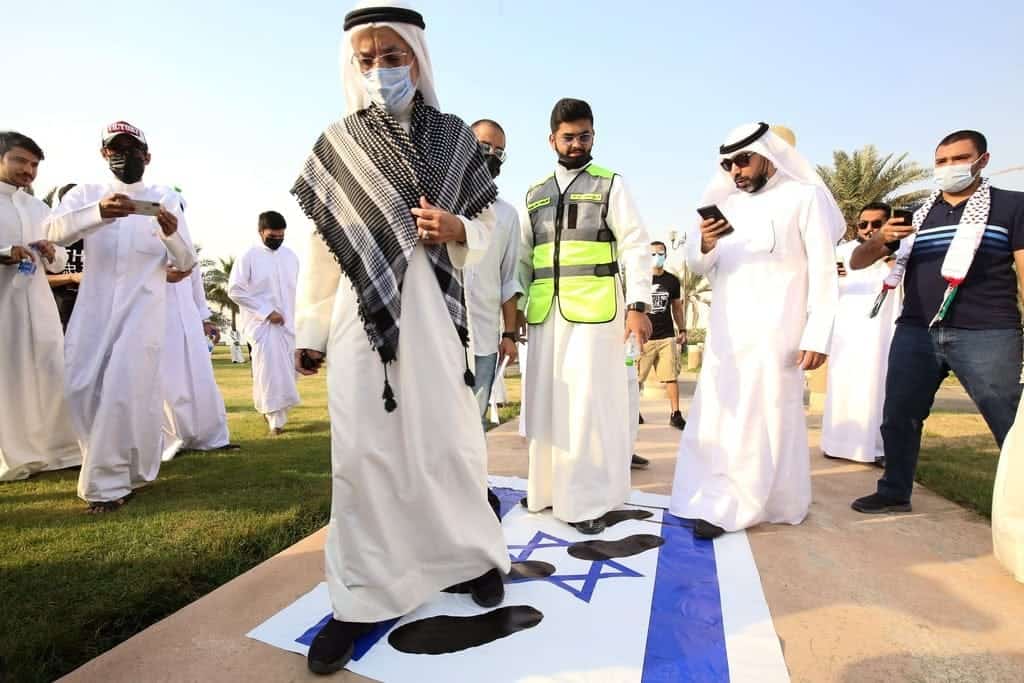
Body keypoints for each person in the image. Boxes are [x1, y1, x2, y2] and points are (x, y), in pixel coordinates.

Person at [291, 2, 510, 673]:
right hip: (364, 324)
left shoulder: (455, 138)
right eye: (368, 60)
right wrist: (311, 330)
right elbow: (323, 246)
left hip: (437, 317)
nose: (381, 69)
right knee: (365, 453)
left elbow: (488, 227)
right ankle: (360, 594)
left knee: (449, 442)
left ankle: (469, 557)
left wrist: (459, 229)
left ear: (417, 58)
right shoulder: (338, 144)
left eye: (393, 57)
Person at [669, 122, 842, 539]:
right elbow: (698, 266)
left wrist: (818, 334)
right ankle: (712, 496)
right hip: (727, 332)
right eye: (728, 164)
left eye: (743, 160)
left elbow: (823, 271)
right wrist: (706, 243)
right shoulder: (726, 204)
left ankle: (747, 505)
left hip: (777, 332)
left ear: (768, 154)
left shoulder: (804, 197)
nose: (736, 171)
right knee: (719, 415)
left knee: (767, 416)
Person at [850, 130, 1024, 513]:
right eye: (941, 161)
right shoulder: (915, 215)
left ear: (982, 161)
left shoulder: (1012, 206)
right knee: (899, 415)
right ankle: (894, 491)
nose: (949, 167)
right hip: (916, 329)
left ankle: (1018, 505)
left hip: (987, 331)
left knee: (1009, 419)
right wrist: (880, 239)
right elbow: (858, 261)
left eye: (959, 159)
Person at [518, 97, 653, 535]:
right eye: (569, 137)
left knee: (586, 407)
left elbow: (635, 246)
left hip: (595, 315)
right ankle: (545, 491)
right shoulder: (534, 193)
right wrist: (515, 312)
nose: (577, 144)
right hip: (545, 314)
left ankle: (587, 501)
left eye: (585, 136)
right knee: (546, 405)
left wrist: (637, 306)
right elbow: (522, 258)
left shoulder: (610, 184)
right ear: (551, 139)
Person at [45, 121, 196, 512]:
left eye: (132, 149)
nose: (125, 156)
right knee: (81, 390)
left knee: (122, 390)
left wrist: (171, 233)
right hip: (93, 310)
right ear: (104, 154)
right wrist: (97, 213)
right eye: (117, 149)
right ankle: (130, 464)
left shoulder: (165, 197)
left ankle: (105, 485)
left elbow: (186, 261)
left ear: (147, 156)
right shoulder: (85, 194)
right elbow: (52, 232)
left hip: (142, 311)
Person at [0, 132, 82, 481]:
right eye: (20, 160)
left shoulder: (39, 208)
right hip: (4, 307)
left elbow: (60, 258)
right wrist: (5, 253)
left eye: (34, 165)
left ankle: (60, 451)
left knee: (52, 372)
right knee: (9, 380)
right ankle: (15, 458)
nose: (28, 170)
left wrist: (51, 252)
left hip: (39, 305)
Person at [821, 202, 900, 465]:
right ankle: (837, 444)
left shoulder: (901, 252)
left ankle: (877, 449)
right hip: (847, 334)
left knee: (879, 391)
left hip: (884, 335)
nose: (868, 229)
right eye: (863, 224)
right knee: (843, 390)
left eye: (876, 224)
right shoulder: (841, 253)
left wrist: (888, 254)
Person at [465, 118, 521, 428]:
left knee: (473, 427)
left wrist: (509, 334)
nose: (491, 155)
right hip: (439, 335)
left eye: (499, 152)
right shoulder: (442, 200)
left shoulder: (507, 215)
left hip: (484, 338)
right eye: (484, 146)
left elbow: (508, 279)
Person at [228, 211, 300, 435]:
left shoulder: (291, 256)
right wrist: (267, 312)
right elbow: (235, 290)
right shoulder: (248, 256)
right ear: (261, 232)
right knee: (270, 373)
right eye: (272, 236)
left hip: (290, 325)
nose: (277, 240)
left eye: (281, 236)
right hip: (264, 327)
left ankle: (274, 411)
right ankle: (275, 421)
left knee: (289, 373)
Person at [162, 245, 233, 460]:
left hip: (190, 321)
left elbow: (195, 285)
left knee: (202, 380)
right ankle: (171, 443)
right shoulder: (139, 237)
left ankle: (211, 439)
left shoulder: (182, 240)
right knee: (170, 386)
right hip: (159, 322)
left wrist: (204, 318)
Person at [637, 240, 687, 430]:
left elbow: (677, 308)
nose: (657, 257)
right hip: (644, 337)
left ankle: (676, 414)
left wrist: (682, 329)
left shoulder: (672, 281)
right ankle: (634, 412)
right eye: (653, 253)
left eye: (660, 253)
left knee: (671, 377)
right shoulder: (641, 280)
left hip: (666, 336)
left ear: (666, 256)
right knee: (636, 379)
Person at [43, 184, 84, 331]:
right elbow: (37, 279)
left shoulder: (96, 237)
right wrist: (71, 277)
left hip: (88, 311)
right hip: (57, 311)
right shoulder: (49, 238)